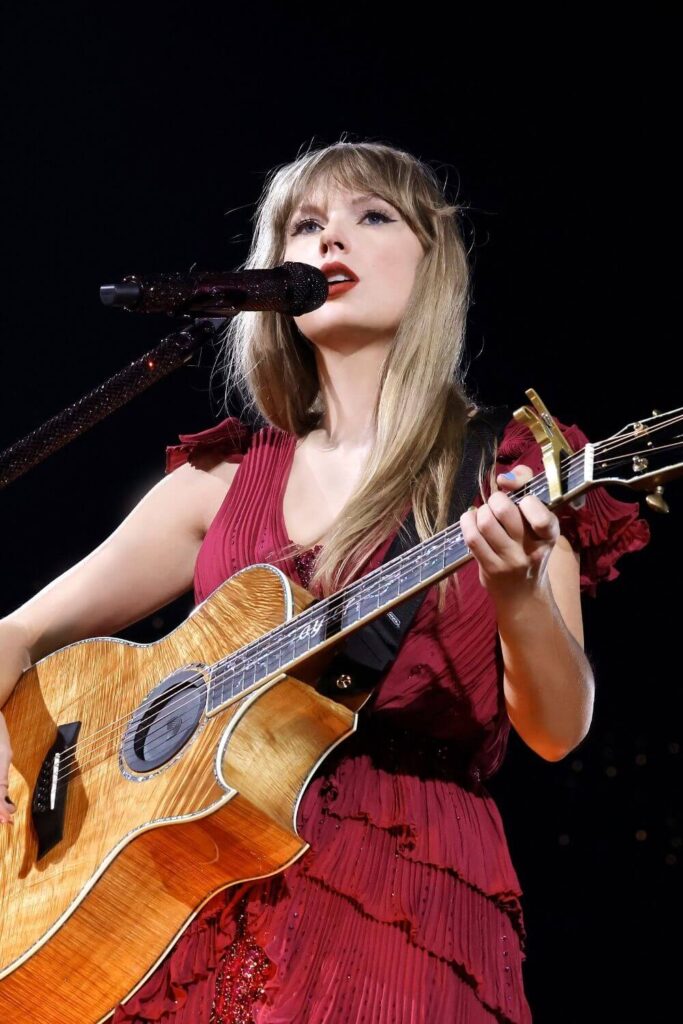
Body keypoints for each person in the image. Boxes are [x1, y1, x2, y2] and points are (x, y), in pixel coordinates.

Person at [0, 140, 651, 1023]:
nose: (330, 240)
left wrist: (515, 592)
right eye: (306, 225)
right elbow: (13, 632)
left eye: (371, 217)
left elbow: (556, 728)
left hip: (398, 887)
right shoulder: (223, 477)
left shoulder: (503, 468)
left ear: (433, 265)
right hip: (178, 891)